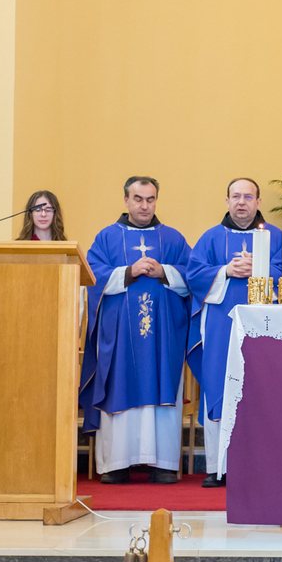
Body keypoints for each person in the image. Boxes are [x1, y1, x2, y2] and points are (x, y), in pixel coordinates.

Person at [80, 177, 192, 484]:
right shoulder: (107, 237)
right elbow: (92, 276)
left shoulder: (172, 238)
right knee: (120, 385)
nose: (145, 206)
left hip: (162, 338)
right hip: (119, 338)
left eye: (150, 199)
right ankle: (117, 464)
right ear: (126, 200)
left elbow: (193, 276)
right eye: (138, 199)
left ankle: (163, 464)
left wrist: (164, 272)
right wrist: (129, 272)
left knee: (161, 386)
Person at [185, 178, 282, 487]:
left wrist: (260, 269)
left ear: (258, 202)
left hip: (263, 328)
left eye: (248, 197)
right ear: (227, 201)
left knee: (261, 388)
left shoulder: (276, 237)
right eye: (236, 196)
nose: (242, 202)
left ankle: (261, 467)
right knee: (219, 385)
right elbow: (193, 275)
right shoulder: (210, 238)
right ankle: (218, 467)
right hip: (219, 328)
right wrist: (225, 271)